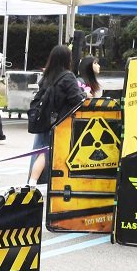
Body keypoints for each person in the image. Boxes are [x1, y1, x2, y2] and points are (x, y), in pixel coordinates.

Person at [27, 45, 85, 186]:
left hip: (44, 119)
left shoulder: (47, 76)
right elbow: (76, 99)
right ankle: (32, 183)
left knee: (39, 150)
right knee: (46, 152)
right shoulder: (68, 76)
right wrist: (85, 94)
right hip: (58, 122)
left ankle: (33, 181)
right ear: (67, 59)